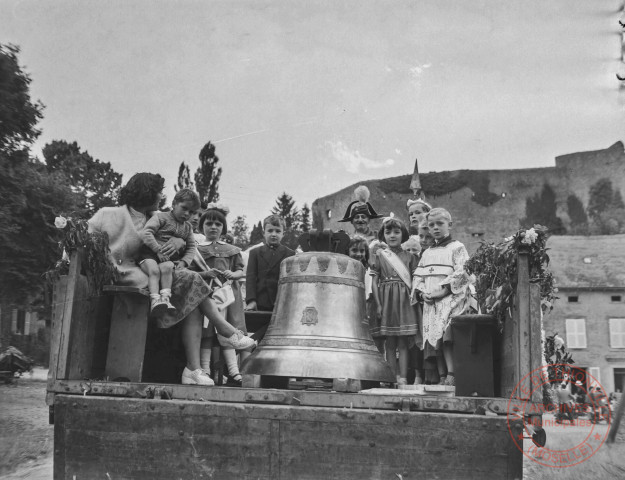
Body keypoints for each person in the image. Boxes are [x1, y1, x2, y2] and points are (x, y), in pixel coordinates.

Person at [88, 172, 255, 386]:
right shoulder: (107, 214)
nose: (160, 197)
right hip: (127, 272)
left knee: (193, 295)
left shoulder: (159, 216)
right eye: (158, 192)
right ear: (146, 192)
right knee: (193, 281)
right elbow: (86, 244)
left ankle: (194, 369)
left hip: (157, 272)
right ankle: (225, 331)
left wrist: (179, 242)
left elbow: (182, 239)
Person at [412, 208, 473, 387]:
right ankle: (442, 376)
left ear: (450, 225)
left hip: (450, 301)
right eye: (431, 225)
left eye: (440, 223)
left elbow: (464, 272)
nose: (435, 228)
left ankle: (452, 374)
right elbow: (418, 277)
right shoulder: (427, 253)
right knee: (433, 342)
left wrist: (444, 291)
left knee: (446, 337)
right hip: (431, 302)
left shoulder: (457, 247)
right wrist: (422, 293)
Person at [195, 204, 250, 387]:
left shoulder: (232, 250)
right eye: (209, 223)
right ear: (202, 226)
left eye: (218, 224)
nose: (213, 227)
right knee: (207, 333)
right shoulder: (197, 249)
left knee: (228, 333)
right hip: (207, 294)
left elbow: (240, 270)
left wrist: (233, 274)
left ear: (223, 228)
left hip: (228, 296)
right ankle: (205, 371)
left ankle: (234, 372)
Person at [371, 217, 421, 386]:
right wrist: (378, 304)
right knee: (390, 342)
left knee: (403, 342)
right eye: (388, 232)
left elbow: (415, 281)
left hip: (404, 302)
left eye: (396, 232)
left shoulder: (410, 257)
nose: (392, 235)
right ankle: (392, 376)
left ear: (403, 234)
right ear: (383, 235)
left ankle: (403, 378)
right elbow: (374, 282)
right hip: (387, 302)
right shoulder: (380, 256)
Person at [140, 188, 200, 315]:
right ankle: (155, 300)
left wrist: (184, 262)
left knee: (168, 268)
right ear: (174, 204)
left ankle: (165, 299)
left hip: (167, 258)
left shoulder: (188, 227)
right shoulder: (161, 217)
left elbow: (191, 247)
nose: (187, 214)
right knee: (154, 271)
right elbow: (146, 233)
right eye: (184, 208)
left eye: (191, 212)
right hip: (150, 253)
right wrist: (157, 250)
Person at [245, 214, 295, 341]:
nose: (274, 234)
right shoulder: (255, 253)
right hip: (260, 302)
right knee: (259, 337)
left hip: (280, 302)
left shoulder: (290, 254)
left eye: (278, 231)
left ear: (283, 233)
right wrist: (251, 300)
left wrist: (287, 301)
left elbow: (290, 281)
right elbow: (250, 277)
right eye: (270, 230)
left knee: (279, 337)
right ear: (264, 232)